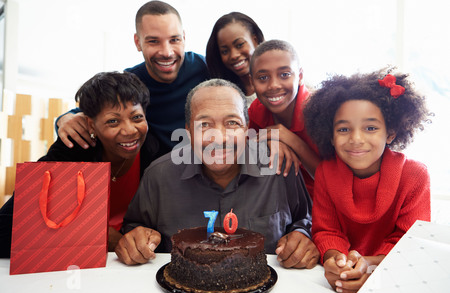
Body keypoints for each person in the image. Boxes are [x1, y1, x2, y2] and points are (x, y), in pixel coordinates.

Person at [114, 79, 319, 269]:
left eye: (232, 123)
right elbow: (135, 226)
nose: (220, 138)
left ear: (247, 129)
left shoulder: (279, 166)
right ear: (188, 132)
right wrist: (136, 238)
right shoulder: (158, 176)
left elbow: (305, 220)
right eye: (204, 125)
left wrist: (302, 236)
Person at [0, 72, 159, 257]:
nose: (130, 130)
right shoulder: (72, 149)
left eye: (137, 117)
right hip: (78, 261)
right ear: (91, 125)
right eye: (113, 121)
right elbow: (5, 228)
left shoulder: (155, 153)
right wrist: (106, 237)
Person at [303, 68, 432, 293]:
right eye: (343, 129)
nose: (356, 139)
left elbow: (408, 242)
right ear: (331, 136)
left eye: (370, 128)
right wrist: (337, 262)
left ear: (390, 132)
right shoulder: (326, 172)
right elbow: (327, 231)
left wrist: (370, 266)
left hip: (398, 283)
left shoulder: (415, 176)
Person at [55, 1, 209, 157]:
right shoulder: (131, 83)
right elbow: (90, 113)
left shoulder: (208, 68)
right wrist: (64, 119)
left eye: (174, 40)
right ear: (138, 42)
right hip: (152, 175)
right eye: (153, 41)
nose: (167, 52)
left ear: (184, 37)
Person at [248, 40, 320, 197]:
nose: (274, 85)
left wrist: (289, 138)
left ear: (300, 76)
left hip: (322, 204)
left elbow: (332, 181)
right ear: (252, 81)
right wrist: (271, 141)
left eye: (285, 75)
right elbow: (248, 150)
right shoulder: (256, 109)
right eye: (263, 77)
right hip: (281, 201)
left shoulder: (320, 113)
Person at [206, 12, 264, 107]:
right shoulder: (221, 94)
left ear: (255, 40)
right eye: (225, 51)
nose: (233, 55)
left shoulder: (278, 83)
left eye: (240, 45)